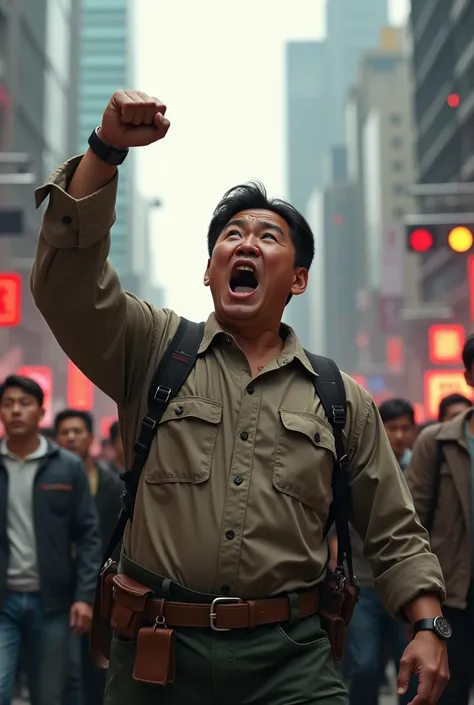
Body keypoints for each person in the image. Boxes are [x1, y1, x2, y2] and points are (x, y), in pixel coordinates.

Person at [30, 89, 449, 705]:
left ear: (298, 279)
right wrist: (106, 150)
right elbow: (66, 286)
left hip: (292, 661)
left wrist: (428, 624)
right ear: (209, 269)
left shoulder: (340, 399)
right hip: (158, 655)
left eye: (268, 236)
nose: (246, 243)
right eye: (232, 234)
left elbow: (394, 530)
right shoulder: (153, 350)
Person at [0, 375, 102, 705]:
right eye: (8, 403)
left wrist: (85, 597)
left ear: (41, 411)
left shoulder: (67, 467)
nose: (16, 410)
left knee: (49, 695)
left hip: (54, 602)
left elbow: (88, 535)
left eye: (24, 403)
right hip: (3, 601)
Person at [330, 398, 418, 705]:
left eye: (405, 428)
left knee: (407, 664)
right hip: (364, 582)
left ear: (413, 431)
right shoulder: (358, 465)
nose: (398, 435)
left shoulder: (419, 468)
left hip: (402, 582)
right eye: (391, 428)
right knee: (365, 664)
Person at [406, 335, 474, 705]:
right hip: (454, 592)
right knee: (449, 690)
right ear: (469, 375)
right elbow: (409, 524)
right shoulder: (437, 442)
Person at [55, 409, 123, 705]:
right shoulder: (49, 483)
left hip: (105, 589)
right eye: (64, 433)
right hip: (59, 587)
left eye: (78, 432)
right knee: (64, 672)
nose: (71, 438)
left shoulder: (114, 484)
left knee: (99, 667)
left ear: (91, 438)